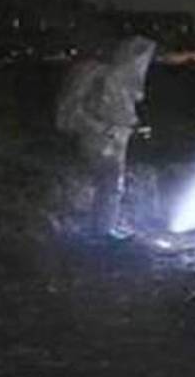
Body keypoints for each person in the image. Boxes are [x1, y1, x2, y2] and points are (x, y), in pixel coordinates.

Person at [55, 36, 157, 240]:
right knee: (107, 181)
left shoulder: (119, 81)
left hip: (115, 138)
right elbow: (72, 112)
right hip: (100, 138)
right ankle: (100, 230)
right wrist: (103, 128)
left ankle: (106, 227)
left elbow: (123, 111)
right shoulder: (96, 75)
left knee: (113, 184)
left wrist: (131, 128)